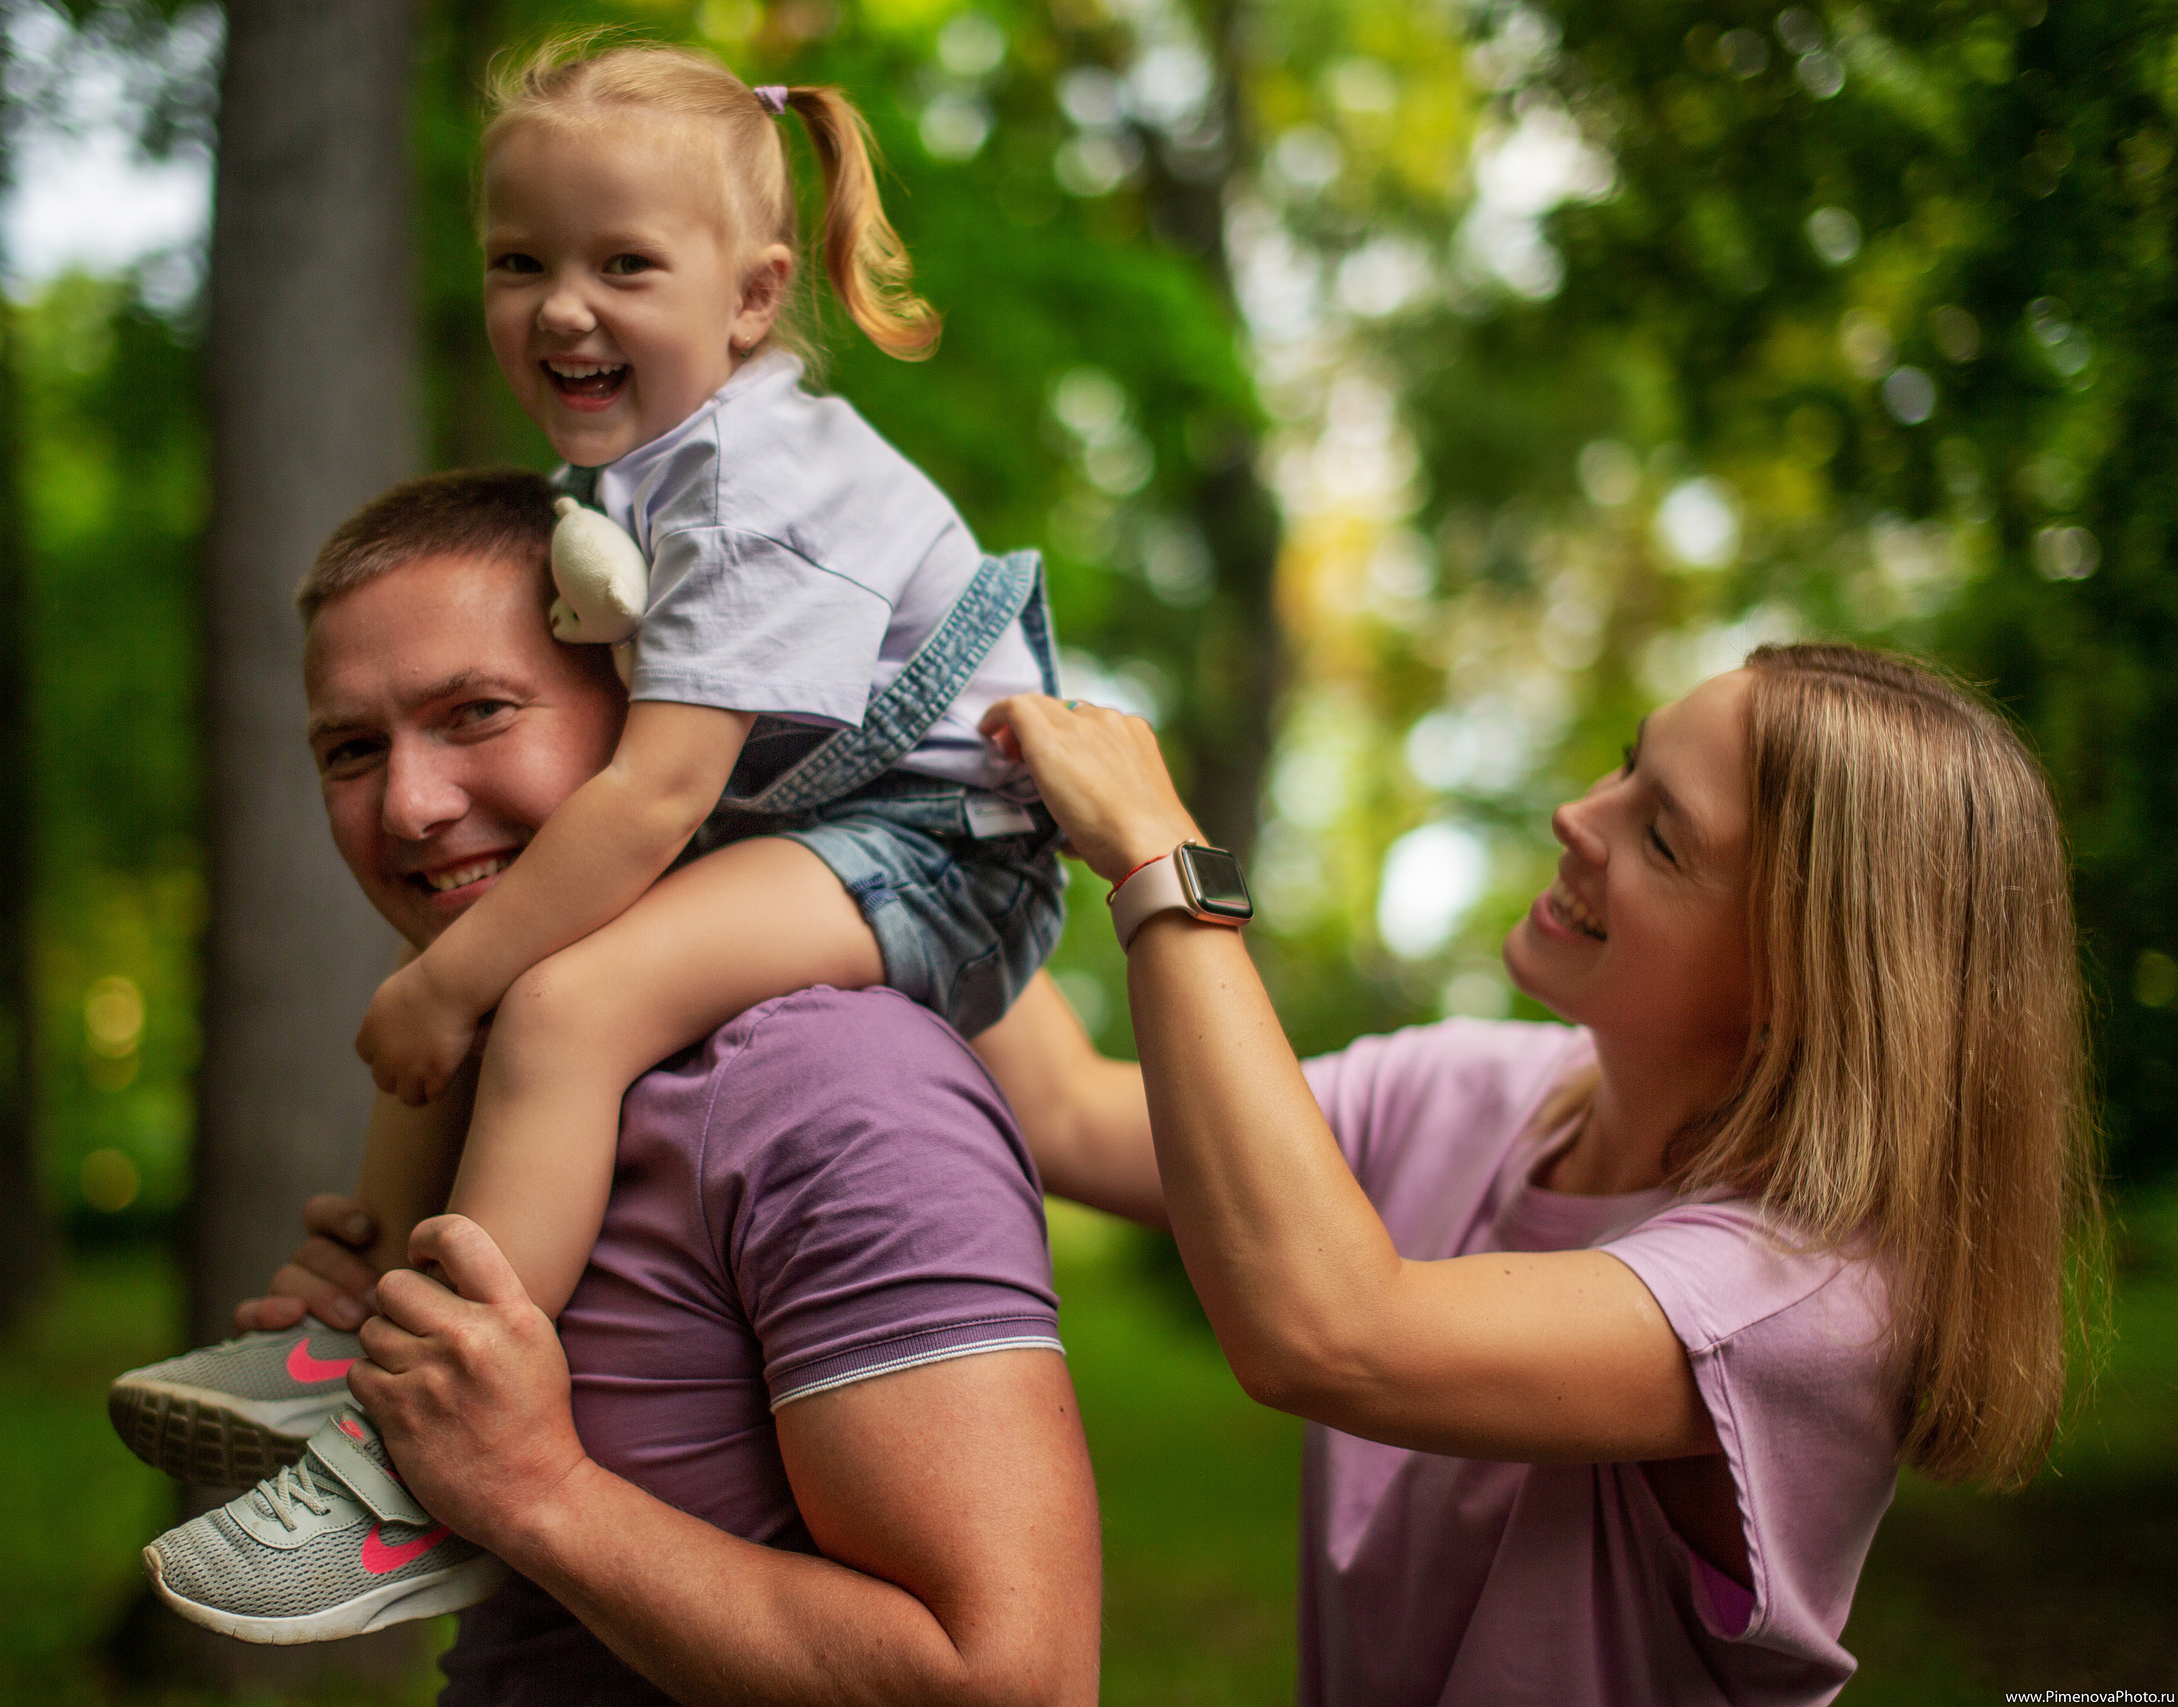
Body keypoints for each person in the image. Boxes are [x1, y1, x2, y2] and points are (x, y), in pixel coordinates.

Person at [112, 37, 1071, 1639]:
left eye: (623, 264)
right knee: (489, 968)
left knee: (554, 995)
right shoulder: (646, 465)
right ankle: (376, 1332)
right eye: (520, 263)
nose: (562, 307)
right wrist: (450, 979)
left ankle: (413, 1464)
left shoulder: (752, 486)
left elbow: (655, 793)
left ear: (752, 296)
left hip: (937, 842)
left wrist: (452, 980)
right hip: (826, 817)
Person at [973, 646, 2098, 1704]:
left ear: (1801, 987)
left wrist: (1162, 858)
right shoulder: (1473, 1086)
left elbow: (1326, 1332)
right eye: (1626, 765)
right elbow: (1066, 1110)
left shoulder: (1793, 1302)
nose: (1578, 816)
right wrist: (927, 826)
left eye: (1661, 838)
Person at [133, 470, 1100, 1698]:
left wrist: (536, 1492)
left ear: (655, 710)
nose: (411, 807)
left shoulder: (829, 1090)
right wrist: (389, 1327)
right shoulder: (516, 1083)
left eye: (478, 713)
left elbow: (1012, 1684)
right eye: (353, 750)